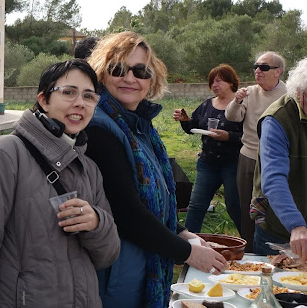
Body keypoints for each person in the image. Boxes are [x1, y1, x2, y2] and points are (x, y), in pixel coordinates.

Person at [0, 59, 120, 307]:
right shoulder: (4, 154)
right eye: (68, 92)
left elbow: (108, 255)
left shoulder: (88, 169)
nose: (80, 103)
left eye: (89, 96)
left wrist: (96, 223)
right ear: (43, 100)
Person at [85, 31, 228, 308]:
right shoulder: (99, 128)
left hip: (138, 264)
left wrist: (182, 231)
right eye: (118, 69)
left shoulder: (139, 126)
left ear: (152, 79)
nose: (130, 78)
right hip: (116, 274)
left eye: (141, 71)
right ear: (101, 74)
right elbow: (126, 213)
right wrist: (187, 252)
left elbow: (150, 200)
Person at [225, 51, 286, 252]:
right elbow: (232, 117)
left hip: (276, 159)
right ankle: (250, 251)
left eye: (264, 67)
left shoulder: (288, 94)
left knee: (274, 206)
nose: (258, 71)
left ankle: (275, 249)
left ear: (278, 71)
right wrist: (236, 101)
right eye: (256, 67)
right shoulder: (249, 92)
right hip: (249, 156)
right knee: (247, 207)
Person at [173, 64, 244, 234]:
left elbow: (251, 136)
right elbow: (193, 127)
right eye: (212, 82)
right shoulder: (207, 104)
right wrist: (184, 120)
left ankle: (251, 244)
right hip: (207, 164)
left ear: (231, 82)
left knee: (235, 207)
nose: (214, 85)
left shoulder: (242, 105)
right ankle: (189, 244)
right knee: (196, 205)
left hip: (234, 164)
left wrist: (228, 136)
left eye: (219, 81)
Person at [251, 57, 307, 260]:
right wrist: (296, 225)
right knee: (274, 279)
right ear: (299, 93)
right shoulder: (276, 120)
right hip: (280, 228)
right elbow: (273, 179)